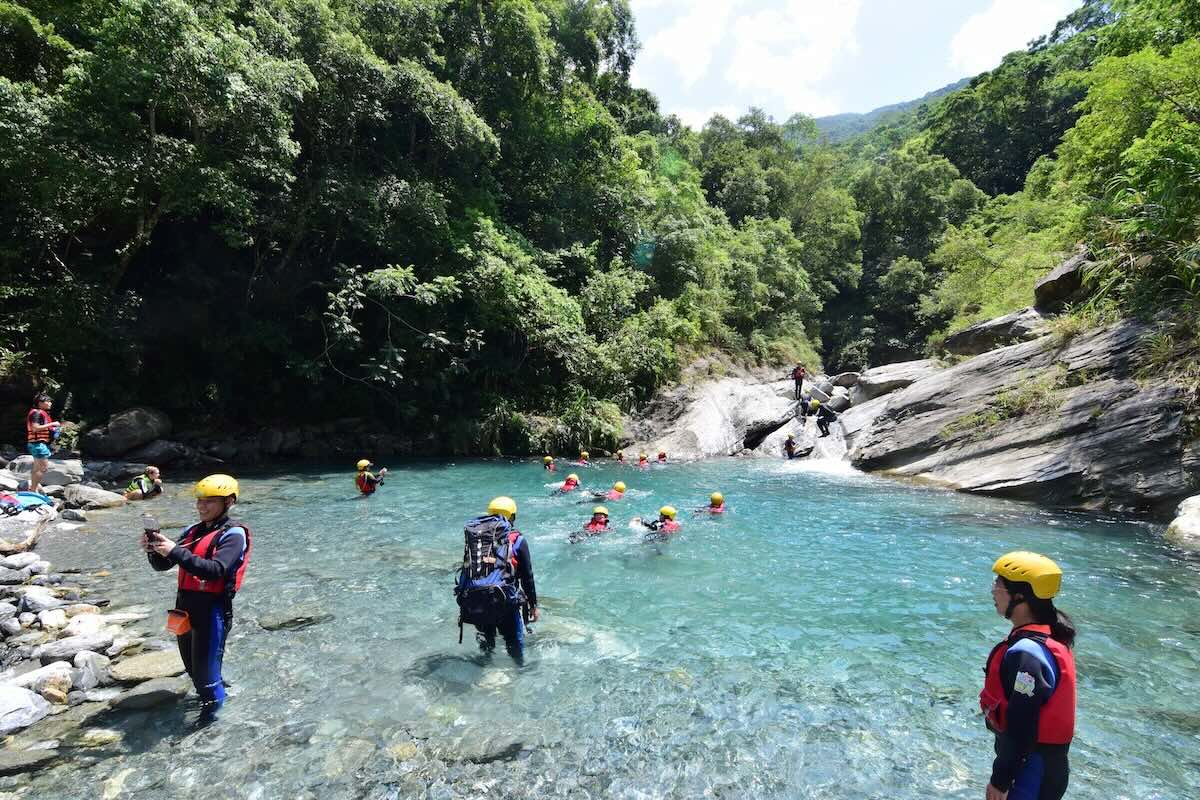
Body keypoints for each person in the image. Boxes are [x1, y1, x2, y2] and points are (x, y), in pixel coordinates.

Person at [144, 474, 250, 720]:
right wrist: (155, 551)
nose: (202, 506)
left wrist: (175, 550)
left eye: (210, 501)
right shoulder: (192, 531)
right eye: (200, 501)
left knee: (205, 677)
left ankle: (210, 725)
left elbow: (215, 571)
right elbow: (164, 565)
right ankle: (215, 700)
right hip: (184, 608)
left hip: (211, 611)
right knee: (193, 670)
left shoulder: (234, 534)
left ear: (229, 502)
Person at [981, 551, 1077, 800]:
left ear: (1020, 596)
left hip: (1032, 773)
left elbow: (1022, 725)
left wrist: (1000, 781)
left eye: (998, 584)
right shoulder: (1049, 635)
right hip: (1038, 766)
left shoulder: (1028, 654)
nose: (993, 591)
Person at [455, 497, 538, 664]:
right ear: (512, 516)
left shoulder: (477, 538)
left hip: (477, 600)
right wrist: (533, 605)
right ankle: (519, 673)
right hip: (505, 601)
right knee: (514, 642)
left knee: (487, 641)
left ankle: (485, 672)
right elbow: (527, 577)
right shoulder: (517, 540)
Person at [25, 393, 61, 495]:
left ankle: (33, 489)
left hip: (35, 444)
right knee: (43, 468)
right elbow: (35, 428)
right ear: (40, 403)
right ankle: (33, 490)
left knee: (37, 467)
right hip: (38, 444)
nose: (50, 403)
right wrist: (53, 424)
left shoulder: (39, 413)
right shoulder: (36, 413)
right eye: (48, 401)